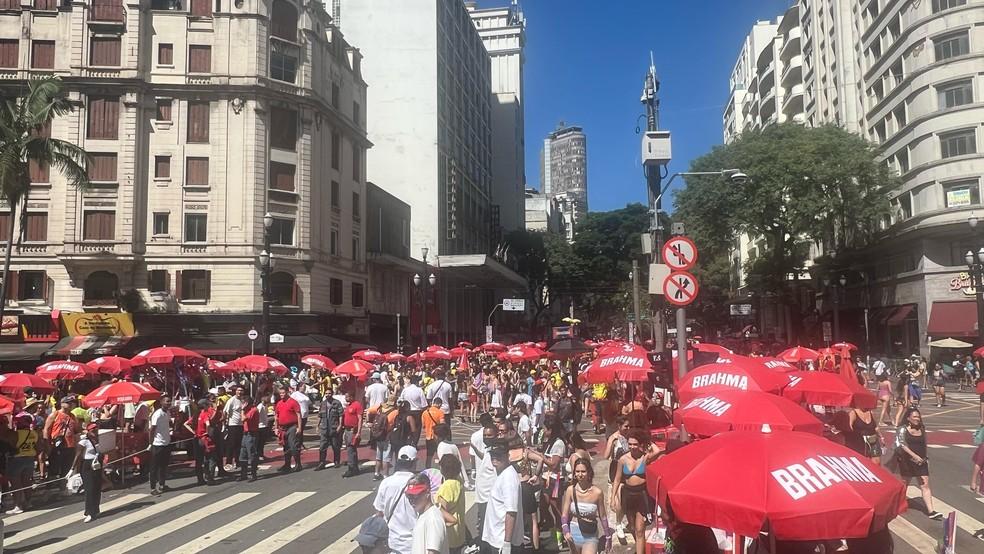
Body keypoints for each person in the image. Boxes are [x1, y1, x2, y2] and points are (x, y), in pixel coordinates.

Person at [611, 428, 661, 554]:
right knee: (632, 527)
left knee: (640, 529)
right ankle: (641, 548)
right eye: (630, 444)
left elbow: (657, 451)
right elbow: (617, 479)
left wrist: (647, 440)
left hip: (642, 494)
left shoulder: (645, 458)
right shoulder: (622, 459)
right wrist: (613, 498)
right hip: (628, 494)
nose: (632, 447)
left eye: (635, 444)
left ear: (640, 445)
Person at [895, 408, 942, 520]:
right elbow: (901, 444)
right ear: (908, 418)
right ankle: (898, 506)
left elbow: (924, 444)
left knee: (925, 485)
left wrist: (925, 458)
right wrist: (914, 456)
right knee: (904, 484)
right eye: (915, 417)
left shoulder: (922, 428)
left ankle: (931, 511)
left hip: (921, 461)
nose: (917, 419)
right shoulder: (902, 429)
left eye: (918, 416)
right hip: (907, 461)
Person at [373, 445, 420, 553]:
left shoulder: (386, 483)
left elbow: (379, 512)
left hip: (392, 542)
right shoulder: (419, 484)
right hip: (414, 543)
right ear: (414, 463)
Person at [562, 457, 610, 554]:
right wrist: (566, 531)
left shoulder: (597, 492)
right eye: (577, 471)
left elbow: (603, 516)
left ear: (589, 473)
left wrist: (608, 537)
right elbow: (564, 515)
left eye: (583, 471)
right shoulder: (570, 490)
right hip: (573, 533)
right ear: (574, 473)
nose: (580, 474)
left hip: (590, 535)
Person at [482, 447, 524, 554]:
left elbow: (511, 512)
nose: (494, 460)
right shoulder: (502, 473)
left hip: (501, 540)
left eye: (498, 457)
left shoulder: (509, 478)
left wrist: (507, 542)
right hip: (496, 537)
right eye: (492, 457)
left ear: (507, 456)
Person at [404, 472, 450, 554]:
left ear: (427, 492)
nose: (411, 500)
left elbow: (433, 552)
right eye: (409, 496)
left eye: (415, 496)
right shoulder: (424, 515)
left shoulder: (433, 519)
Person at [436, 454, 467, 554]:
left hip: (449, 534)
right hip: (459, 533)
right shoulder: (458, 481)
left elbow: (441, 511)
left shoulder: (447, 486)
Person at [43, 396, 80, 480]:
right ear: (62, 404)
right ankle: (51, 486)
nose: (71, 405)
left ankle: (63, 487)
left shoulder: (73, 416)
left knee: (66, 469)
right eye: (69, 403)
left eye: (73, 403)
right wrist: (47, 445)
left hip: (70, 446)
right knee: (54, 468)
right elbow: (46, 430)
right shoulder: (55, 414)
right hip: (57, 446)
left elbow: (76, 430)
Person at [9, 413, 38, 513]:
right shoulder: (34, 433)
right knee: (27, 482)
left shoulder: (16, 434)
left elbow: (12, 445)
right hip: (30, 459)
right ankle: (28, 502)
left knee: (16, 484)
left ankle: (18, 506)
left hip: (17, 459)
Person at [74, 423, 102, 523]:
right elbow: (77, 456)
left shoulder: (97, 440)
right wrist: (72, 469)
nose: (95, 431)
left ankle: (96, 509)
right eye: (93, 430)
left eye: (96, 429)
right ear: (88, 432)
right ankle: (89, 512)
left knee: (97, 487)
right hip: (87, 466)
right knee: (89, 489)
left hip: (97, 464)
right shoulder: (83, 442)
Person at [434, 423, 471, 489]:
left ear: (437, 436)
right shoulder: (452, 445)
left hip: (450, 479)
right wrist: (465, 479)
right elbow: (460, 461)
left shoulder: (442, 446)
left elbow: (447, 464)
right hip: (457, 477)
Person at [148, 395, 173, 495]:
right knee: (154, 467)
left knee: (164, 466)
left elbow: (169, 424)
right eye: (167, 401)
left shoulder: (167, 413)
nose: (169, 403)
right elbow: (152, 429)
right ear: (161, 402)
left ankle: (162, 484)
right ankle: (153, 487)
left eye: (170, 401)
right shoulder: (157, 414)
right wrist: (150, 443)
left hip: (166, 443)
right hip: (157, 444)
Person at [274, 386, 303, 472]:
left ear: (287, 392)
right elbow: (276, 417)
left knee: (293, 446)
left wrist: (299, 428)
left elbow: (298, 415)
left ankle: (298, 464)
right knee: (285, 447)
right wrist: (276, 428)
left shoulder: (293, 402)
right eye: (280, 393)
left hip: (292, 427)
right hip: (282, 428)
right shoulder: (279, 403)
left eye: (283, 393)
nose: (282, 395)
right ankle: (287, 464)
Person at [316, 386, 344, 471]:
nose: (327, 395)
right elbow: (320, 416)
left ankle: (336, 461)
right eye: (326, 393)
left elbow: (341, 415)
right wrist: (317, 426)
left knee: (335, 446)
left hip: (333, 428)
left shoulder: (337, 403)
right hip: (324, 428)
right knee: (322, 446)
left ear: (332, 394)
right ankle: (322, 462)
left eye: (329, 393)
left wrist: (340, 425)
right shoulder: (323, 403)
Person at [342, 388, 364, 477]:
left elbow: (360, 419)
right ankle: (355, 467)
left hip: (352, 430)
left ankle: (351, 468)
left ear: (352, 397)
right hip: (347, 430)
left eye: (347, 396)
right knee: (350, 449)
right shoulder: (348, 405)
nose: (346, 398)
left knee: (351, 449)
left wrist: (358, 432)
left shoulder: (357, 405)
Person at [223, 386, 245, 470]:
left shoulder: (243, 400)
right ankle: (228, 462)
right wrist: (225, 423)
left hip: (241, 424)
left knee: (239, 444)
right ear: (235, 391)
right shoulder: (231, 400)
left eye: (241, 390)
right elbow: (225, 411)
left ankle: (238, 461)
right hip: (232, 424)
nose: (240, 392)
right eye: (238, 390)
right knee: (231, 444)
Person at [238, 396, 260, 482]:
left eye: (243, 403)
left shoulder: (253, 410)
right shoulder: (247, 410)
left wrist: (242, 410)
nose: (242, 405)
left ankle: (253, 474)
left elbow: (243, 418)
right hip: (245, 433)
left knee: (252, 454)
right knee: (243, 454)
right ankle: (243, 474)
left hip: (252, 434)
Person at [422, 398, 446, 468]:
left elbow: (423, 425)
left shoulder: (425, 412)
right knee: (441, 455)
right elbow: (443, 425)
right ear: (439, 404)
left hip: (428, 436)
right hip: (438, 437)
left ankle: (427, 469)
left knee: (429, 456)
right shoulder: (440, 412)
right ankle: (442, 470)